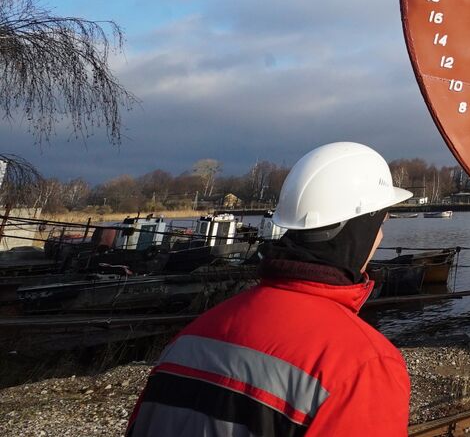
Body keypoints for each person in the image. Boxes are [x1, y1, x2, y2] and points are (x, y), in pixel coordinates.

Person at [125, 142, 414, 436]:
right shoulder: (363, 367)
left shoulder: (189, 339)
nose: (379, 238)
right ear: (360, 232)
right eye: (379, 224)